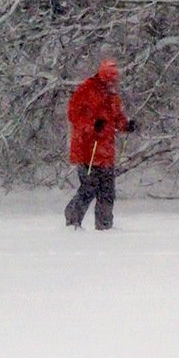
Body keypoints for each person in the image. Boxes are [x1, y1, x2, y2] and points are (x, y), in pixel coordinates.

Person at [64, 59, 137, 230]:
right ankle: (72, 220)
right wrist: (92, 124)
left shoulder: (112, 96)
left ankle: (105, 227)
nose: (113, 83)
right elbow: (73, 115)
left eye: (114, 80)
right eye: (109, 79)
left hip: (106, 153)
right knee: (88, 188)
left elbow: (116, 118)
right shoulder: (86, 90)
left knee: (107, 192)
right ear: (102, 76)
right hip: (87, 151)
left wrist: (126, 125)